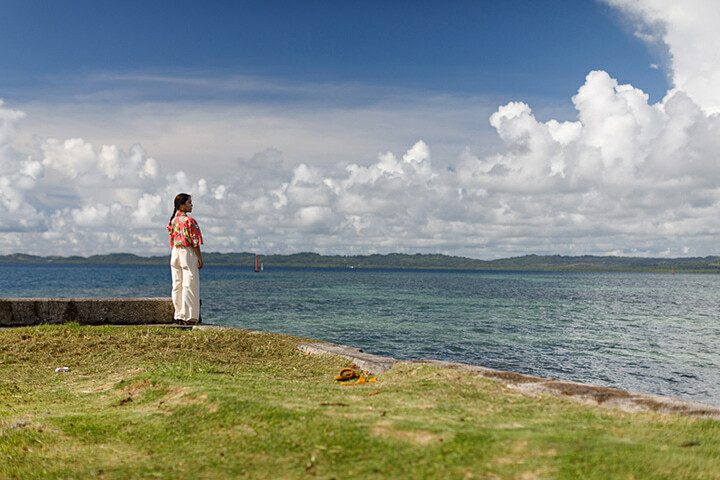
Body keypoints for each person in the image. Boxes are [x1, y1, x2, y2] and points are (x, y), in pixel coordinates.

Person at [167, 193, 204, 325]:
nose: (191, 205)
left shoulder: (172, 221)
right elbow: (195, 242)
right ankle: (189, 316)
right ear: (182, 205)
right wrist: (200, 258)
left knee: (177, 284)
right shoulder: (189, 221)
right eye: (189, 202)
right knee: (189, 283)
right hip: (186, 252)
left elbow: (171, 239)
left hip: (175, 252)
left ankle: (179, 314)